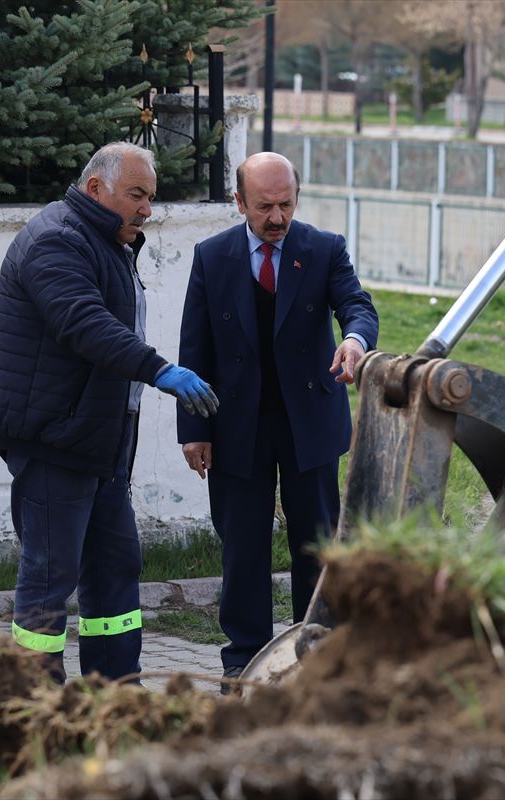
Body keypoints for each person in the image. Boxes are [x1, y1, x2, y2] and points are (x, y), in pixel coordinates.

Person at [0, 141, 219, 683]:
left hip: (101, 445)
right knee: (49, 577)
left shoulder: (106, 240)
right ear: (96, 189)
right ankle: (36, 707)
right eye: (136, 194)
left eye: (150, 198)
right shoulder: (56, 239)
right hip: (56, 443)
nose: (147, 209)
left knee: (114, 571)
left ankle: (116, 696)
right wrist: (160, 370)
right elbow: (84, 323)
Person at [176, 152, 378, 689]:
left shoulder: (324, 249)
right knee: (243, 546)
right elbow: (194, 347)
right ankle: (243, 660)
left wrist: (355, 342)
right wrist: (194, 429)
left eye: (286, 204)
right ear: (238, 202)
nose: (277, 217)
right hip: (236, 424)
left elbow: (356, 306)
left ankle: (318, 653)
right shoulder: (211, 256)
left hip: (308, 420)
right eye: (264, 206)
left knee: (316, 540)